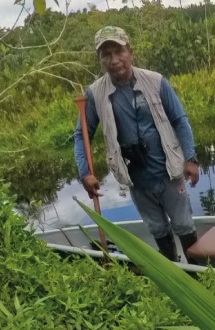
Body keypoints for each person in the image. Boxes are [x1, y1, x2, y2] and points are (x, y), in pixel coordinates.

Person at [74, 26, 200, 263]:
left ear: (130, 51)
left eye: (119, 51)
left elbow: (180, 120)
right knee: (157, 228)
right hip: (136, 178)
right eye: (106, 54)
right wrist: (85, 173)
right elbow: (82, 136)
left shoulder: (156, 82)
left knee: (184, 224)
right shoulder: (95, 94)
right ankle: (172, 272)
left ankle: (200, 276)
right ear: (100, 60)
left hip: (169, 172)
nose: (114, 60)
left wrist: (191, 158)